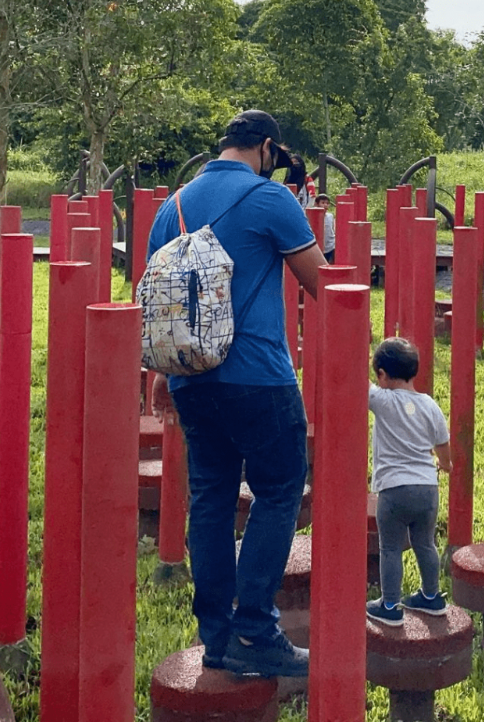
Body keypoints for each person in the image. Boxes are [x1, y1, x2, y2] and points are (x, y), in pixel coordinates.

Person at [147, 109, 325, 677]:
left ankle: (217, 636)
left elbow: (160, 302)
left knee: (212, 498)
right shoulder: (271, 199)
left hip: (190, 378)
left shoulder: (171, 206)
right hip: (258, 376)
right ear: (266, 148)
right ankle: (255, 629)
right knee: (279, 487)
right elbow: (324, 283)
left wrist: (162, 374)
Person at [365, 338, 452, 626]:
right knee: (425, 543)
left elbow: (359, 383)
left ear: (382, 374)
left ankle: (390, 605)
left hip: (394, 490)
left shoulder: (382, 400)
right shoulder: (429, 405)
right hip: (427, 490)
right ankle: (431, 596)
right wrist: (446, 464)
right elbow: (442, 443)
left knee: (390, 548)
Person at [314, 193, 335, 263]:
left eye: (327, 203)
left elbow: (332, 229)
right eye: (323, 203)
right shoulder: (312, 217)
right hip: (318, 247)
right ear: (316, 204)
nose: (325, 205)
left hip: (330, 246)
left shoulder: (330, 216)